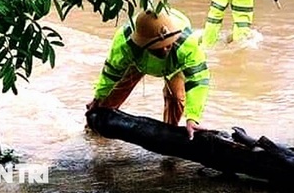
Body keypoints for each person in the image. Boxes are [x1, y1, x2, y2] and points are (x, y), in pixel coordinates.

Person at [86, 8, 210, 139]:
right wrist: (98, 97)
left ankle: (168, 138)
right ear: (142, 43)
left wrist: (193, 118)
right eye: (158, 46)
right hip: (137, 63)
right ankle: (94, 133)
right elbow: (111, 73)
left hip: (174, 66)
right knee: (108, 99)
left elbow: (198, 80)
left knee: (176, 98)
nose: (164, 49)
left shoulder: (187, 44)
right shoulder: (126, 44)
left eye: (168, 44)